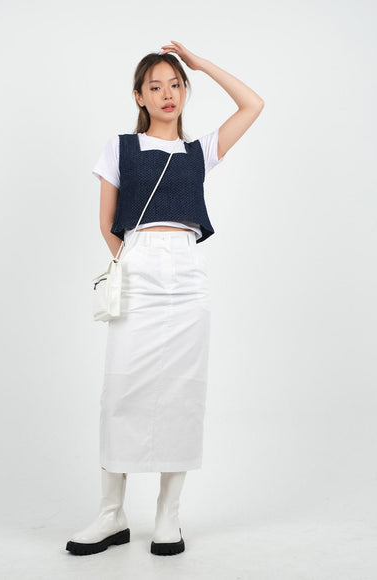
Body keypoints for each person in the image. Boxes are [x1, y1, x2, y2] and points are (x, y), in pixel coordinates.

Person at [66, 40, 264, 557]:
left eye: (176, 84)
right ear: (140, 96)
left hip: (187, 272)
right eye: (155, 86)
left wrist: (201, 63)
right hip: (139, 264)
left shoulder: (200, 151)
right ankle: (111, 514)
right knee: (120, 390)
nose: (167, 93)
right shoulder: (120, 148)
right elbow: (108, 224)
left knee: (182, 391)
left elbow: (253, 104)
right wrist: (137, 262)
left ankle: (168, 516)